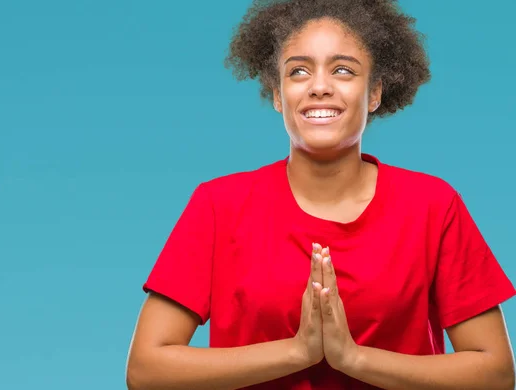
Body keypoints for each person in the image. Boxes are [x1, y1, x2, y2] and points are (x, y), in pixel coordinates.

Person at [126, 0, 516, 389]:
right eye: (298, 71)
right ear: (278, 95)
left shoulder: (432, 206)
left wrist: (354, 358)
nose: (319, 87)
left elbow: (496, 373)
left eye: (343, 70)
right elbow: (146, 370)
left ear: (375, 92)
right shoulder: (219, 205)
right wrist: (298, 352)